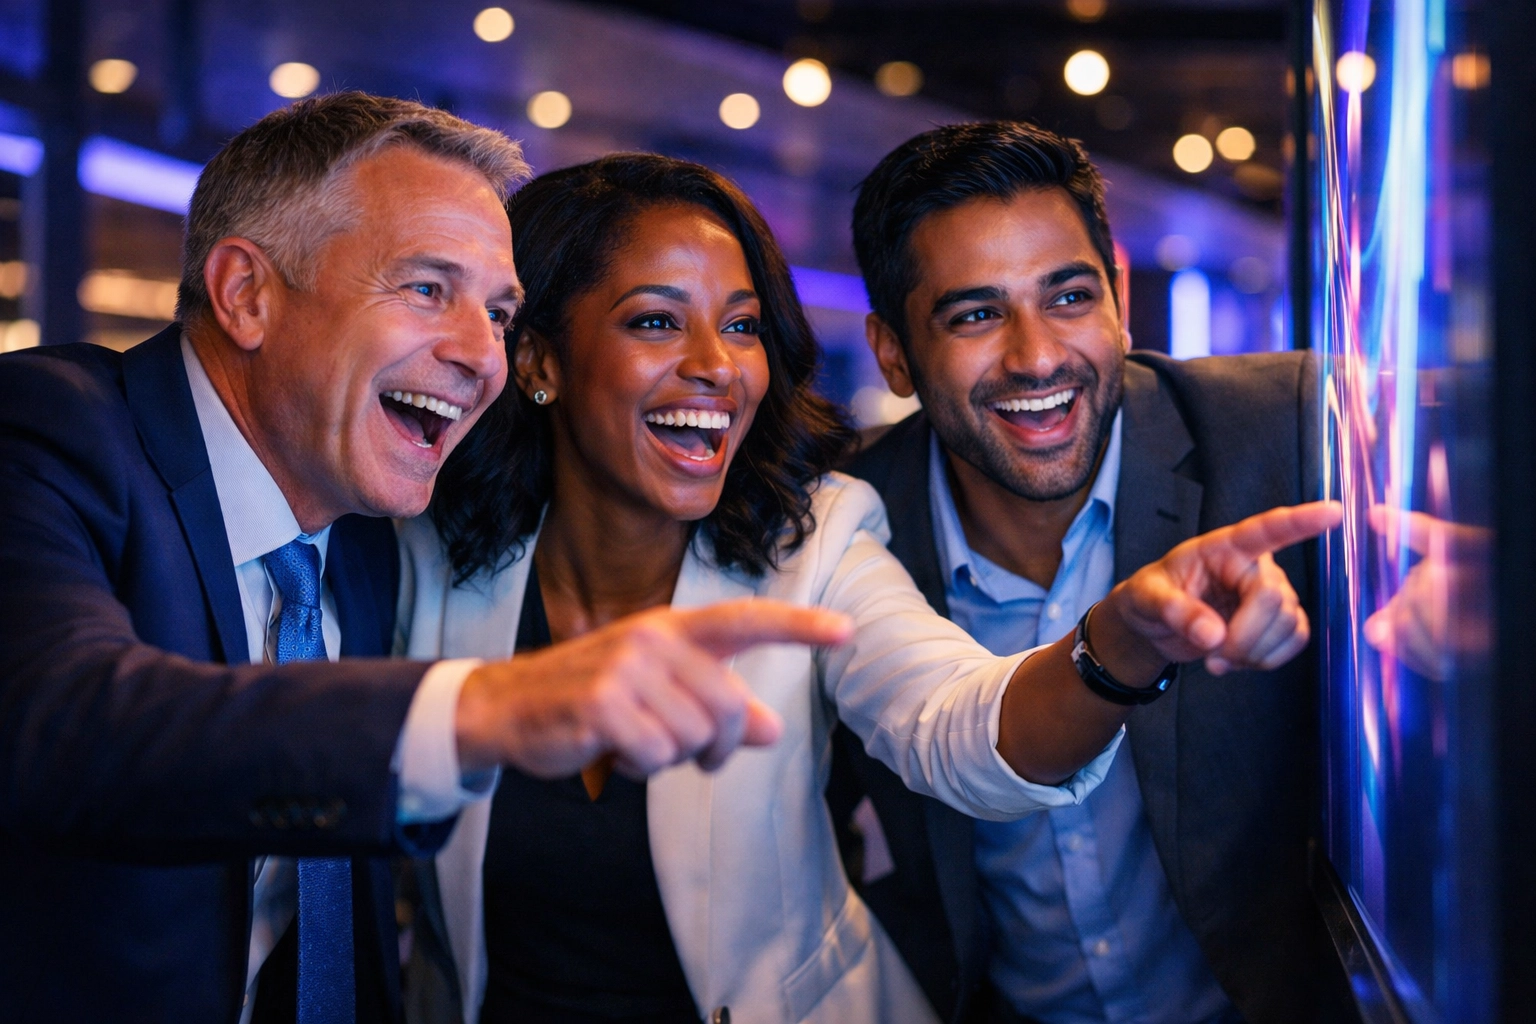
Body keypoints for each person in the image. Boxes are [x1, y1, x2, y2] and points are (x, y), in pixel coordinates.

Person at [393, 152, 1336, 1024]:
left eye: (743, 325)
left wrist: (1116, 647)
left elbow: (951, 720)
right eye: (654, 321)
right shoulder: (421, 547)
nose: (716, 367)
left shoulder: (817, 532)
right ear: (539, 360)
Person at [0, 94, 846, 1024]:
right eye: (427, 289)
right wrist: (489, 704)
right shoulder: (42, 430)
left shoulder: (365, 539)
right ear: (248, 293)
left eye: (499, 312)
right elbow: (66, 722)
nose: (484, 355)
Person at [825, 120, 1355, 1024]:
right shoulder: (843, 524)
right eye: (976, 314)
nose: (1036, 356)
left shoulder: (1293, 423)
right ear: (891, 354)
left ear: (1119, 296)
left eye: (1069, 297)